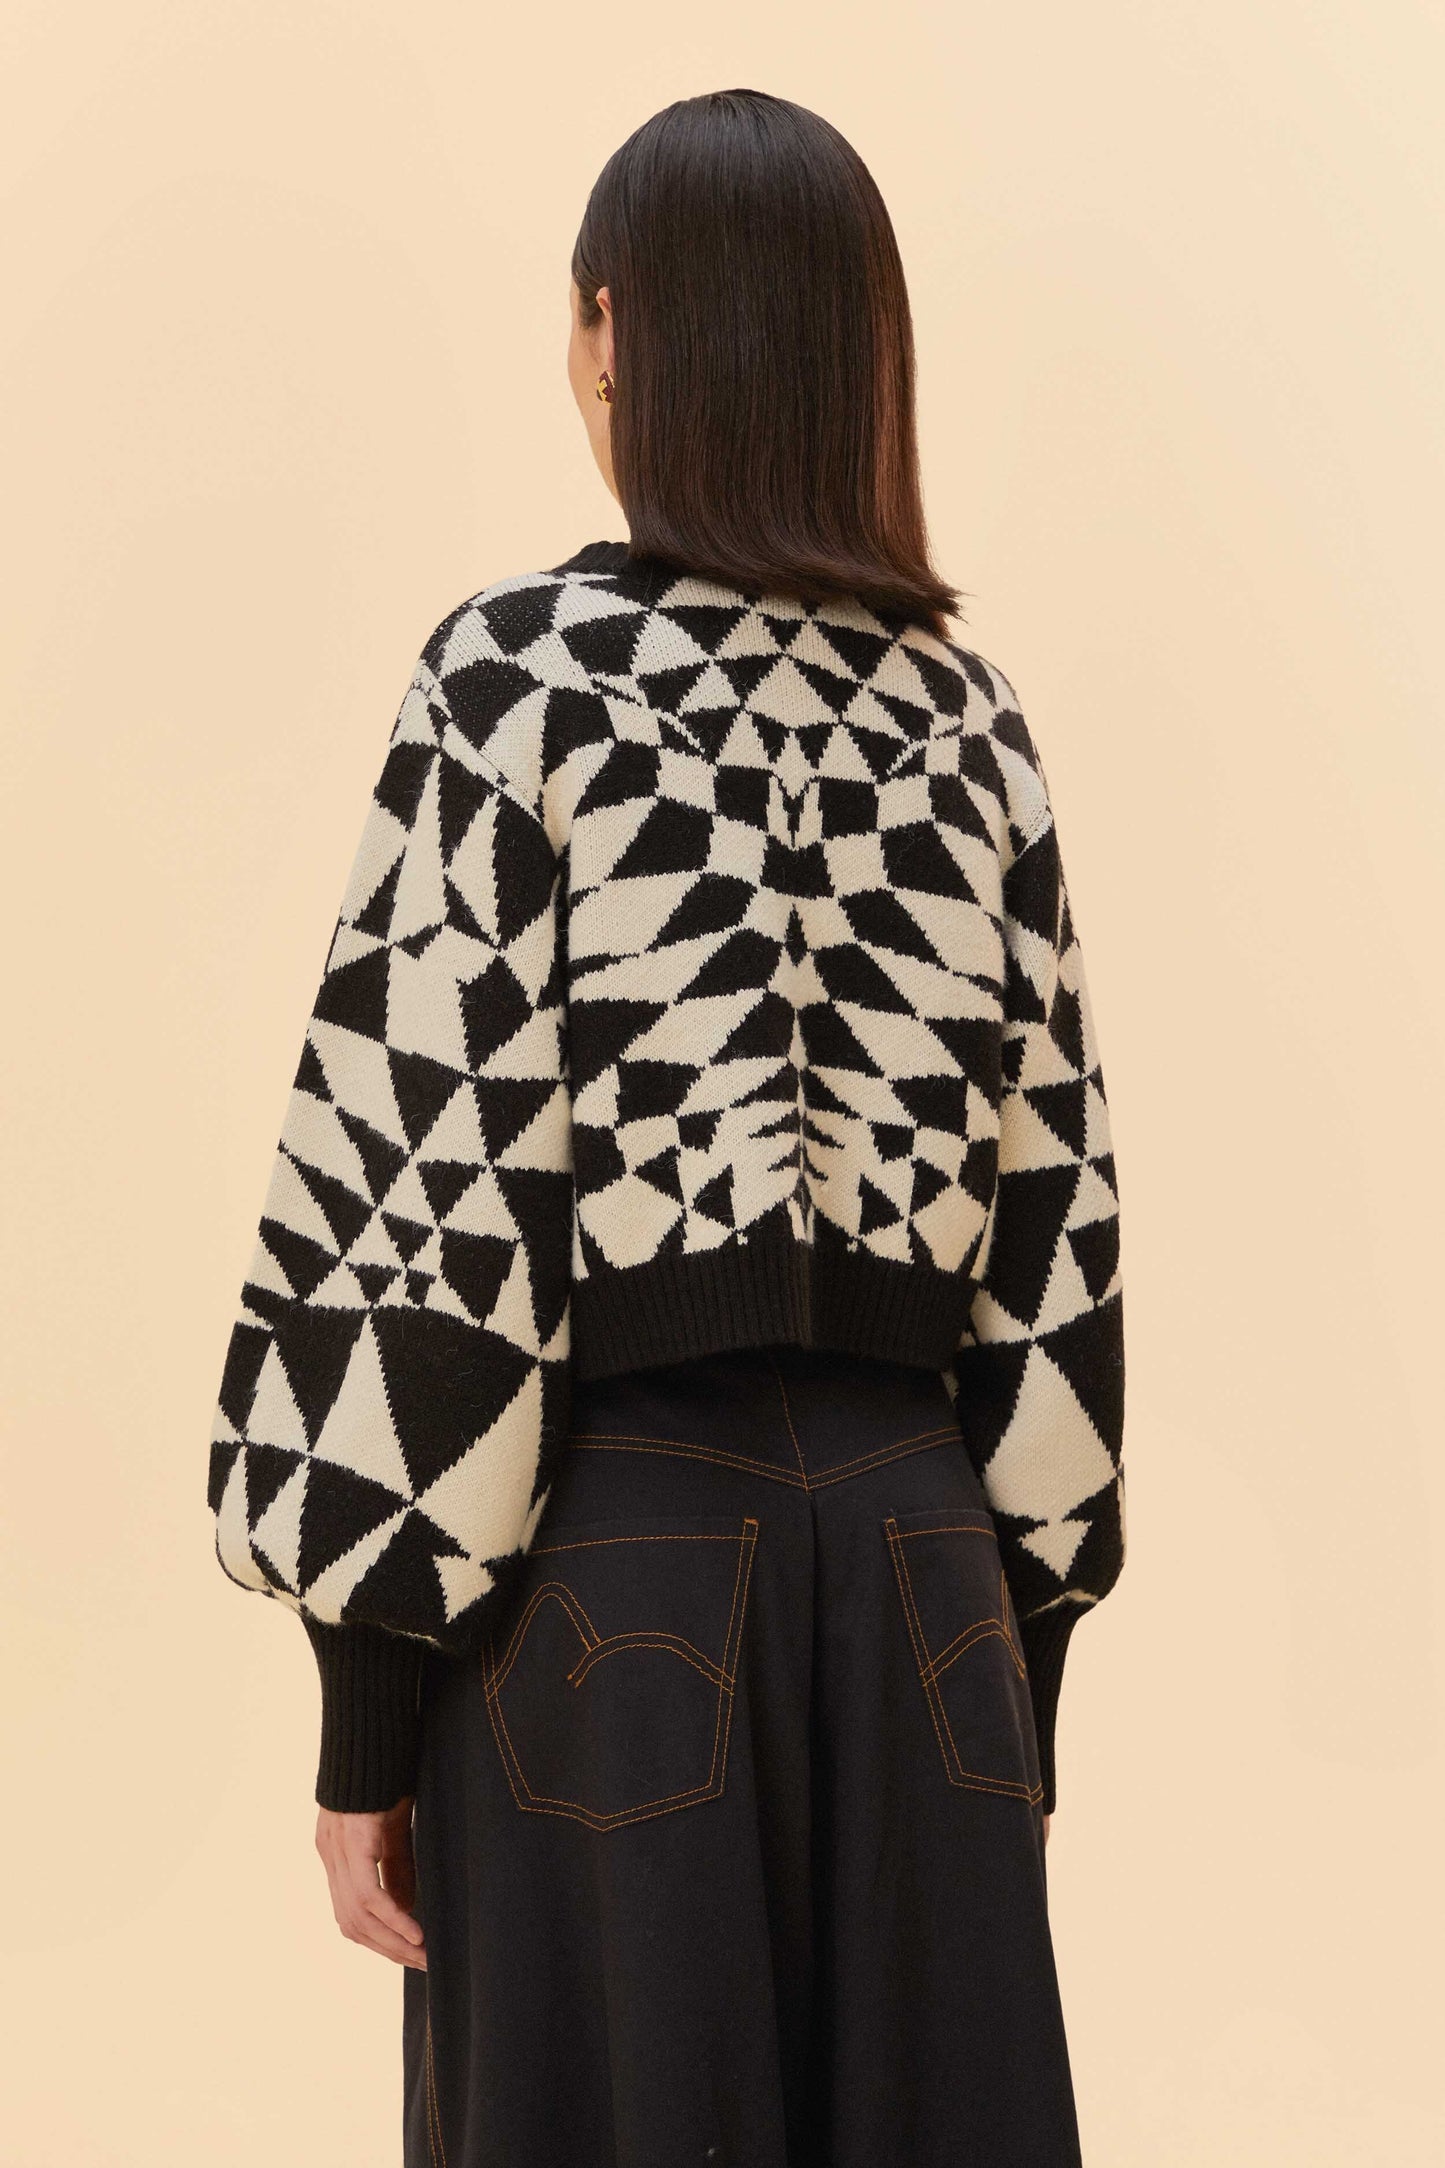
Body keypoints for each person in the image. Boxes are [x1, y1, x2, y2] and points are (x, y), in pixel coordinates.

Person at [206, 86, 1126, 2168]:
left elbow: (419, 1182)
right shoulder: (968, 728)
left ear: (615, 329)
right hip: (929, 1578)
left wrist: (367, 1713)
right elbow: (1054, 1226)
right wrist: (1017, 1672)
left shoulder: (519, 682)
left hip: (604, 1587)